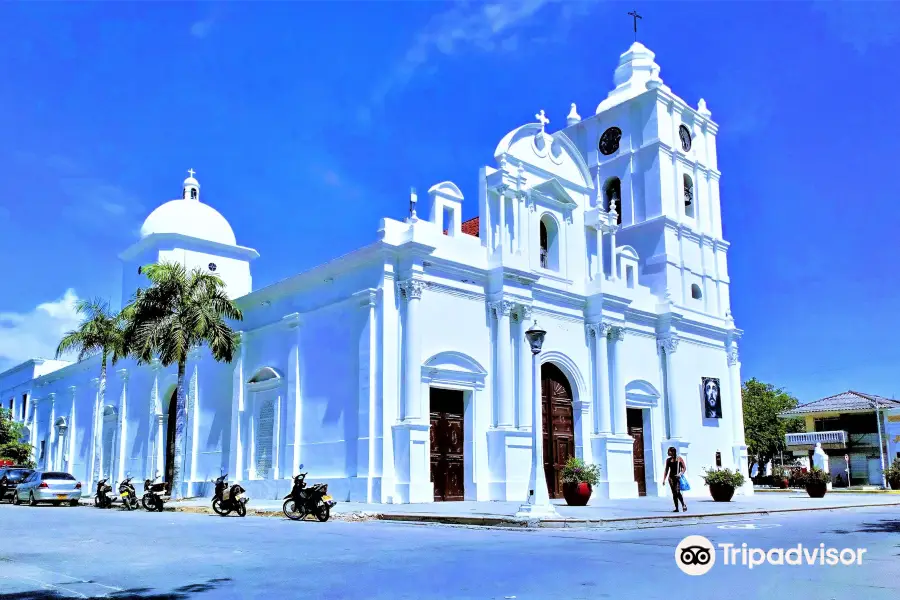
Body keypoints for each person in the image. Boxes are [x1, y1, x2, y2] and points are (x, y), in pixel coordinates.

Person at [662, 446, 687, 512]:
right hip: (671, 478)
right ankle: (676, 508)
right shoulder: (668, 460)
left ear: (673, 452)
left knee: (677, 492)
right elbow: (666, 470)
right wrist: (664, 479)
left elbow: (684, 468)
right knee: (674, 493)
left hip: (677, 477)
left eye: (669, 451)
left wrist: (680, 474)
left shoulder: (679, 459)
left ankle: (683, 504)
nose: (668, 452)